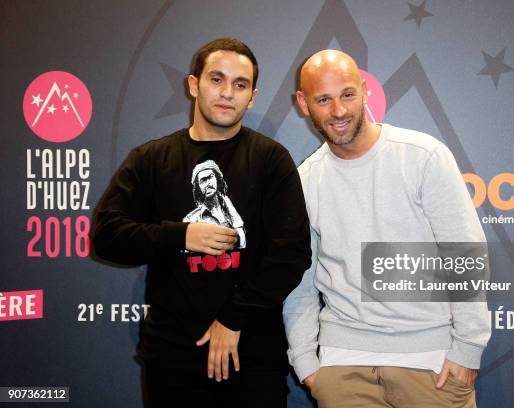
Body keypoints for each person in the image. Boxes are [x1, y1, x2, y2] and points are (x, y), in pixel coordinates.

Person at [92, 38, 311, 407]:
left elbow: (291, 255)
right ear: (194, 85)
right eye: (217, 79)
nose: (227, 93)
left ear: (252, 96)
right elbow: (107, 237)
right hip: (173, 361)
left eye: (240, 85)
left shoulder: (271, 159)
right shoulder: (151, 159)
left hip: (253, 357)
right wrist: (182, 235)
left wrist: (232, 319)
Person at [283, 49, 490, 408]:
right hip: (342, 369)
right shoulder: (305, 181)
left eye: (347, 94)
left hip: (432, 364)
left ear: (364, 90)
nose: (339, 111)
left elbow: (464, 253)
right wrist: (305, 362)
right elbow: (300, 280)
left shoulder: (423, 156)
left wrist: (468, 349)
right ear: (303, 104)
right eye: (323, 100)